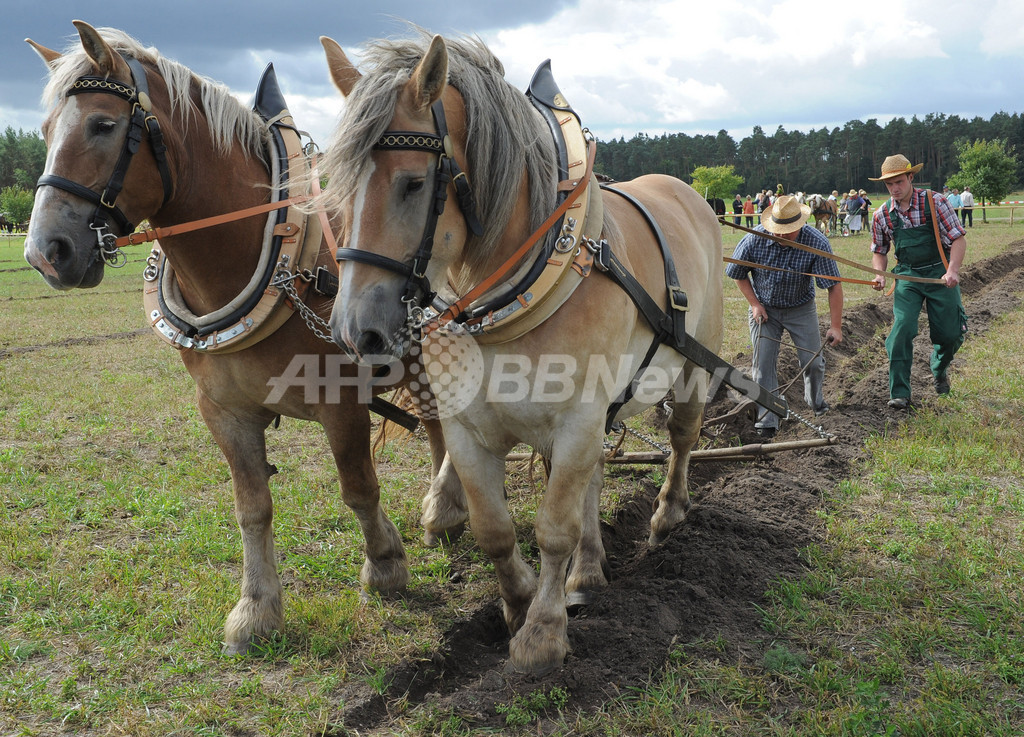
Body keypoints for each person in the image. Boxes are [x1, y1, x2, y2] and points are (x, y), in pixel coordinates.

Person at [725, 195, 845, 437]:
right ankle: (767, 419)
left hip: (801, 308)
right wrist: (755, 305)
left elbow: (833, 285)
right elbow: (737, 273)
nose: (780, 235)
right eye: (777, 230)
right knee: (762, 367)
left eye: (787, 231)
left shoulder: (816, 243)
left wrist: (836, 326)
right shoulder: (754, 239)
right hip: (765, 309)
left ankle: (816, 403)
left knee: (813, 362)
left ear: (800, 225)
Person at [868, 154, 968, 409]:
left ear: (911, 177)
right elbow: (879, 250)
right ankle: (900, 393)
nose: (894, 189)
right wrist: (880, 273)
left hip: (939, 273)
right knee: (901, 330)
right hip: (907, 276)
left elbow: (957, 238)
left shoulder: (935, 202)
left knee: (951, 334)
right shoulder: (882, 215)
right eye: (889, 184)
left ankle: (939, 366)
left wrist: (953, 270)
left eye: (899, 182)